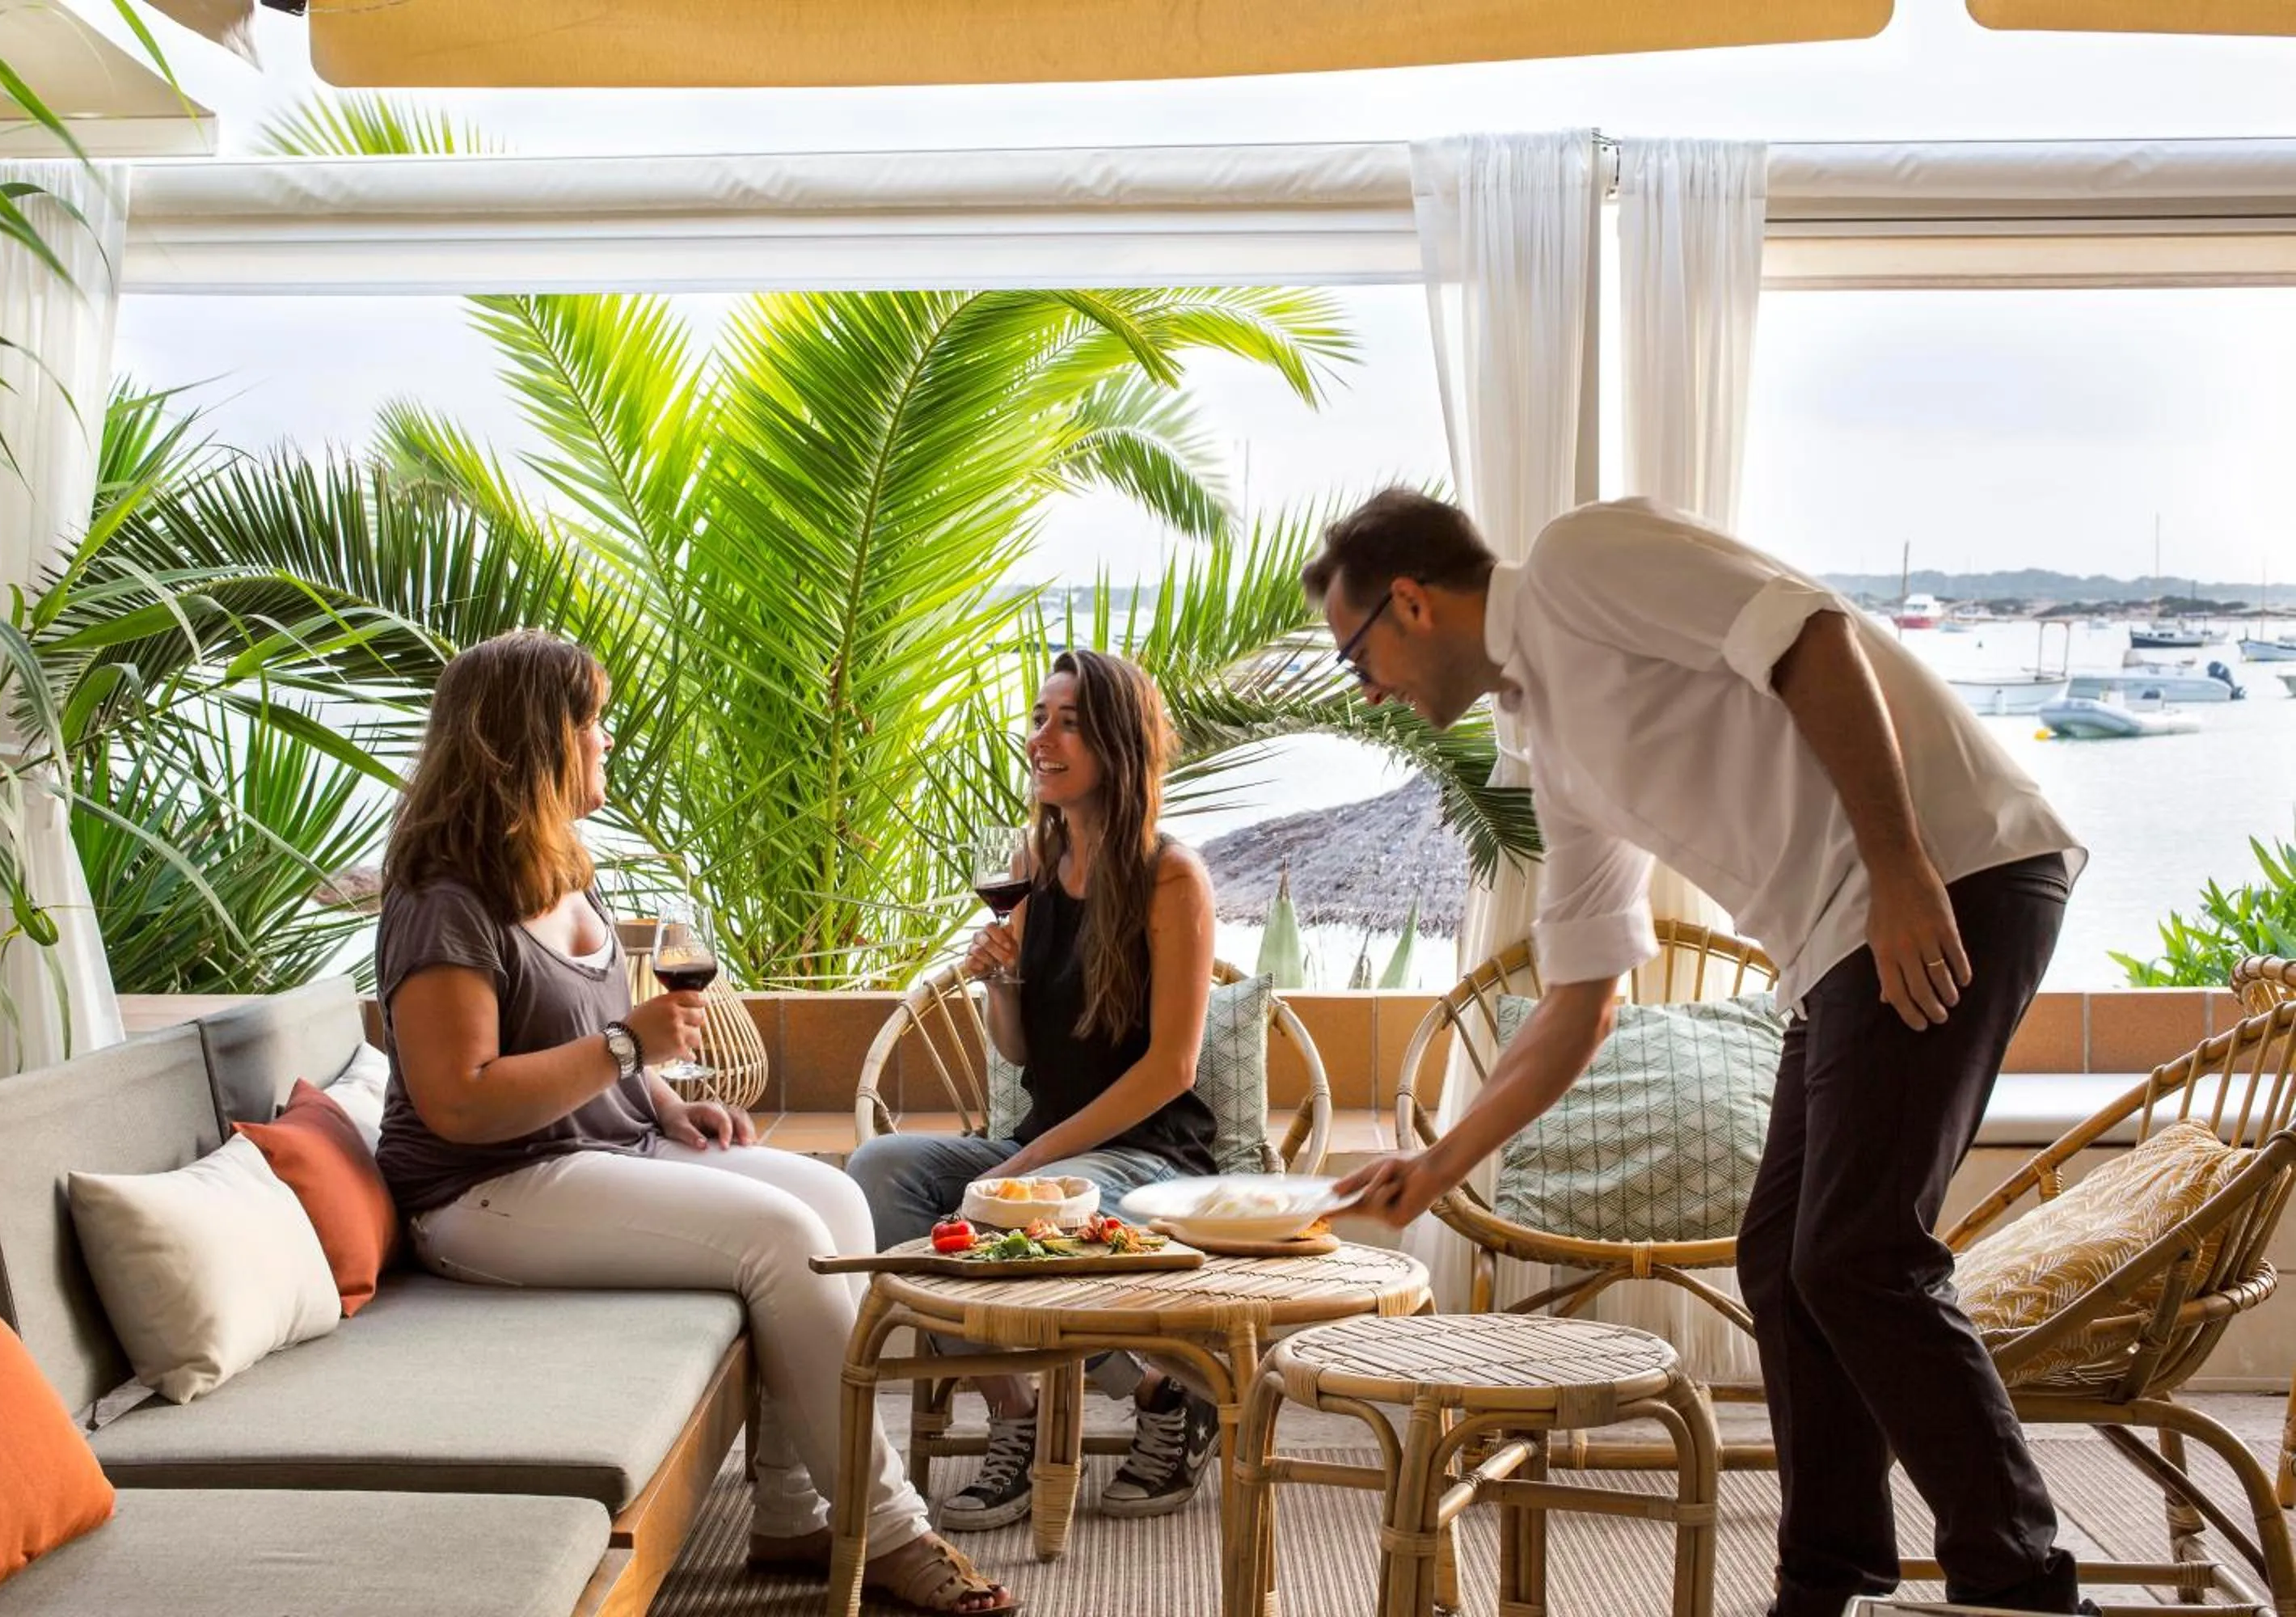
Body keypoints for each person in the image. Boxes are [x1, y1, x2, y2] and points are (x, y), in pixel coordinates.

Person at [1311, 490, 2090, 1617]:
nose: (1367, 687)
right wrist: (1439, 1165)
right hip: (1837, 939)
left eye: (1356, 654)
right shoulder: (1551, 745)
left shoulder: (1579, 561)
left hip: (1949, 871)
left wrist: (1900, 868)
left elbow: (1809, 635)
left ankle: (2023, 1585)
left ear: (1412, 602)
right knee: (1783, 1259)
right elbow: (1582, 1002)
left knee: (1859, 1252)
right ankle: (1826, 1585)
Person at [374, 630, 1015, 1616]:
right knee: (781, 1237)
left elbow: (586, 1039)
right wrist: (627, 1049)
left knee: (834, 1198)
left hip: (599, 1145)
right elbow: (459, 1099)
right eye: (594, 721)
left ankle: (791, 1513)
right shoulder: (442, 899)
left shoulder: (560, 861)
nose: (608, 740)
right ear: (535, 739)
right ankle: (891, 1528)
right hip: (482, 1191)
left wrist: (669, 1102)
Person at [847, 649, 1225, 1530]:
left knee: (1017, 1212)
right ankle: (1015, 1409)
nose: (1039, 738)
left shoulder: (1171, 875)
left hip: (1149, 1155)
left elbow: (1172, 1067)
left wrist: (1023, 1167)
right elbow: (1019, 1052)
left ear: (1118, 744)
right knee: (877, 1172)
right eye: (1038, 717)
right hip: (1046, 1142)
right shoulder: (1033, 863)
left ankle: (1166, 1394)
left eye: (1067, 722)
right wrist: (999, 983)